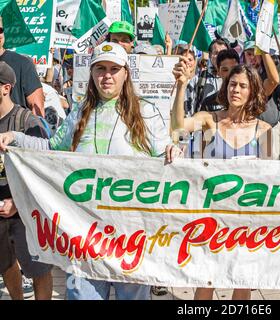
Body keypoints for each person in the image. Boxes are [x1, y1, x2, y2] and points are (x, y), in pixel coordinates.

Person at [0, 42, 171, 300]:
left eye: (114, 69)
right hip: (84, 234)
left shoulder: (145, 112)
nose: (107, 75)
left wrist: (173, 152)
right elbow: (52, 149)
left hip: (130, 235)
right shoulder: (80, 111)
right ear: (91, 73)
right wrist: (16, 137)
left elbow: (164, 161)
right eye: (100, 68)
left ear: (126, 73)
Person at [168, 58, 273, 299]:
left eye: (243, 86)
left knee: (242, 281)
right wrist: (182, 85)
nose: (236, 90)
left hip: (245, 218)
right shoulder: (209, 120)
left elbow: (269, 180)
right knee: (207, 280)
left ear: (253, 91)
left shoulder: (264, 131)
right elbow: (177, 130)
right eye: (232, 84)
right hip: (211, 216)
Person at [0, 61, 53, 300]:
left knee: (38, 269)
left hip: (24, 213)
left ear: (6, 88)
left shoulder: (27, 122)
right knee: (6, 265)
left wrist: (16, 202)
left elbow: (43, 171)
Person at [0, 19, 44, 116]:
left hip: (14, 129)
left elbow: (37, 108)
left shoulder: (23, 63)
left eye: (0, 30)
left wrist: (37, 129)